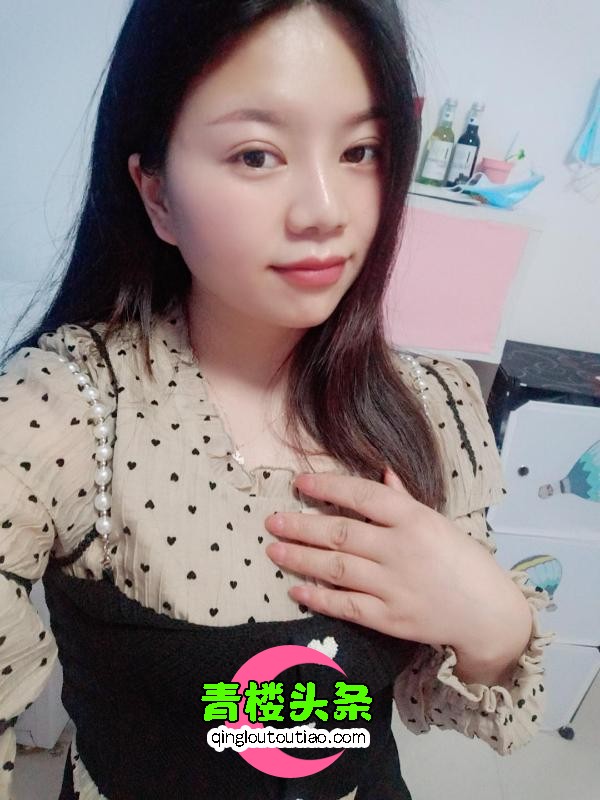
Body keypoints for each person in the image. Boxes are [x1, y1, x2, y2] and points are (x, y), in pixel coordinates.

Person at [0, 1, 555, 798]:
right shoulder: (67, 412)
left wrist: (492, 618)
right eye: (257, 155)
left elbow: (458, 699)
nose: (326, 210)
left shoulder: (429, 406)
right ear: (156, 194)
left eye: (360, 150)